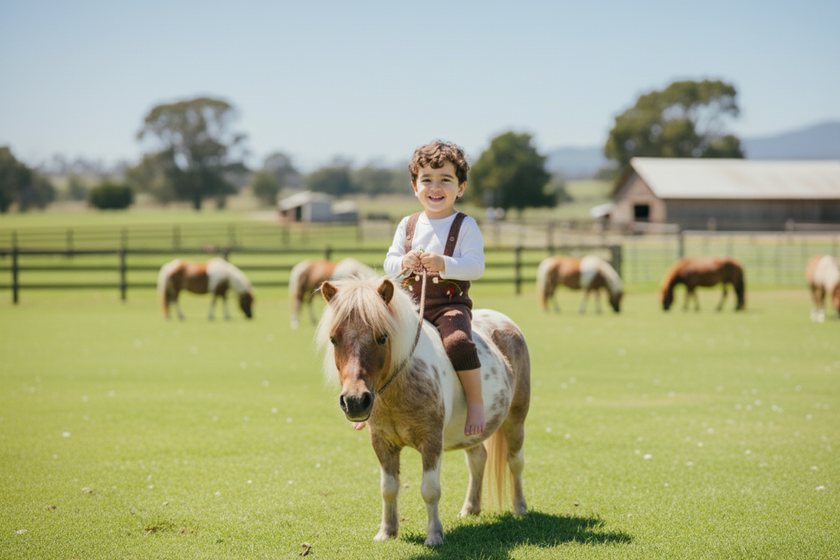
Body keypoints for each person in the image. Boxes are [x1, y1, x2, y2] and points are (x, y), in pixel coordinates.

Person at [354, 141, 486, 436]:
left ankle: (475, 403)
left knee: (458, 343)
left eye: (445, 180)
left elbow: (476, 266)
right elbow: (390, 262)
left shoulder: (465, 225)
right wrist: (405, 262)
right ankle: (368, 404)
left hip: (448, 306)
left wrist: (443, 263)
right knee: (374, 344)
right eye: (427, 180)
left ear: (461, 187)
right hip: (408, 306)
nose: (435, 187)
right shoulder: (408, 224)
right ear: (415, 186)